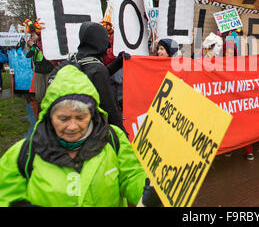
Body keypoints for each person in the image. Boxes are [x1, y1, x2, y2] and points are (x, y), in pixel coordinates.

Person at [0, 64, 154, 207]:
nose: (73, 126)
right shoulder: (24, 153)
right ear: (49, 116)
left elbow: (132, 175)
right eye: (63, 118)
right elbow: (6, 195)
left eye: (81, 118)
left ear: (93, 114)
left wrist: (149, 191)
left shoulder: (112, 139)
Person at [73, 22, 128, 132]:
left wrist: (117, 63)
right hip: (97, 129)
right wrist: (121, 132)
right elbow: (110, 107)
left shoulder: (75, 59)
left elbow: (94, 77)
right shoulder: (96, 69)